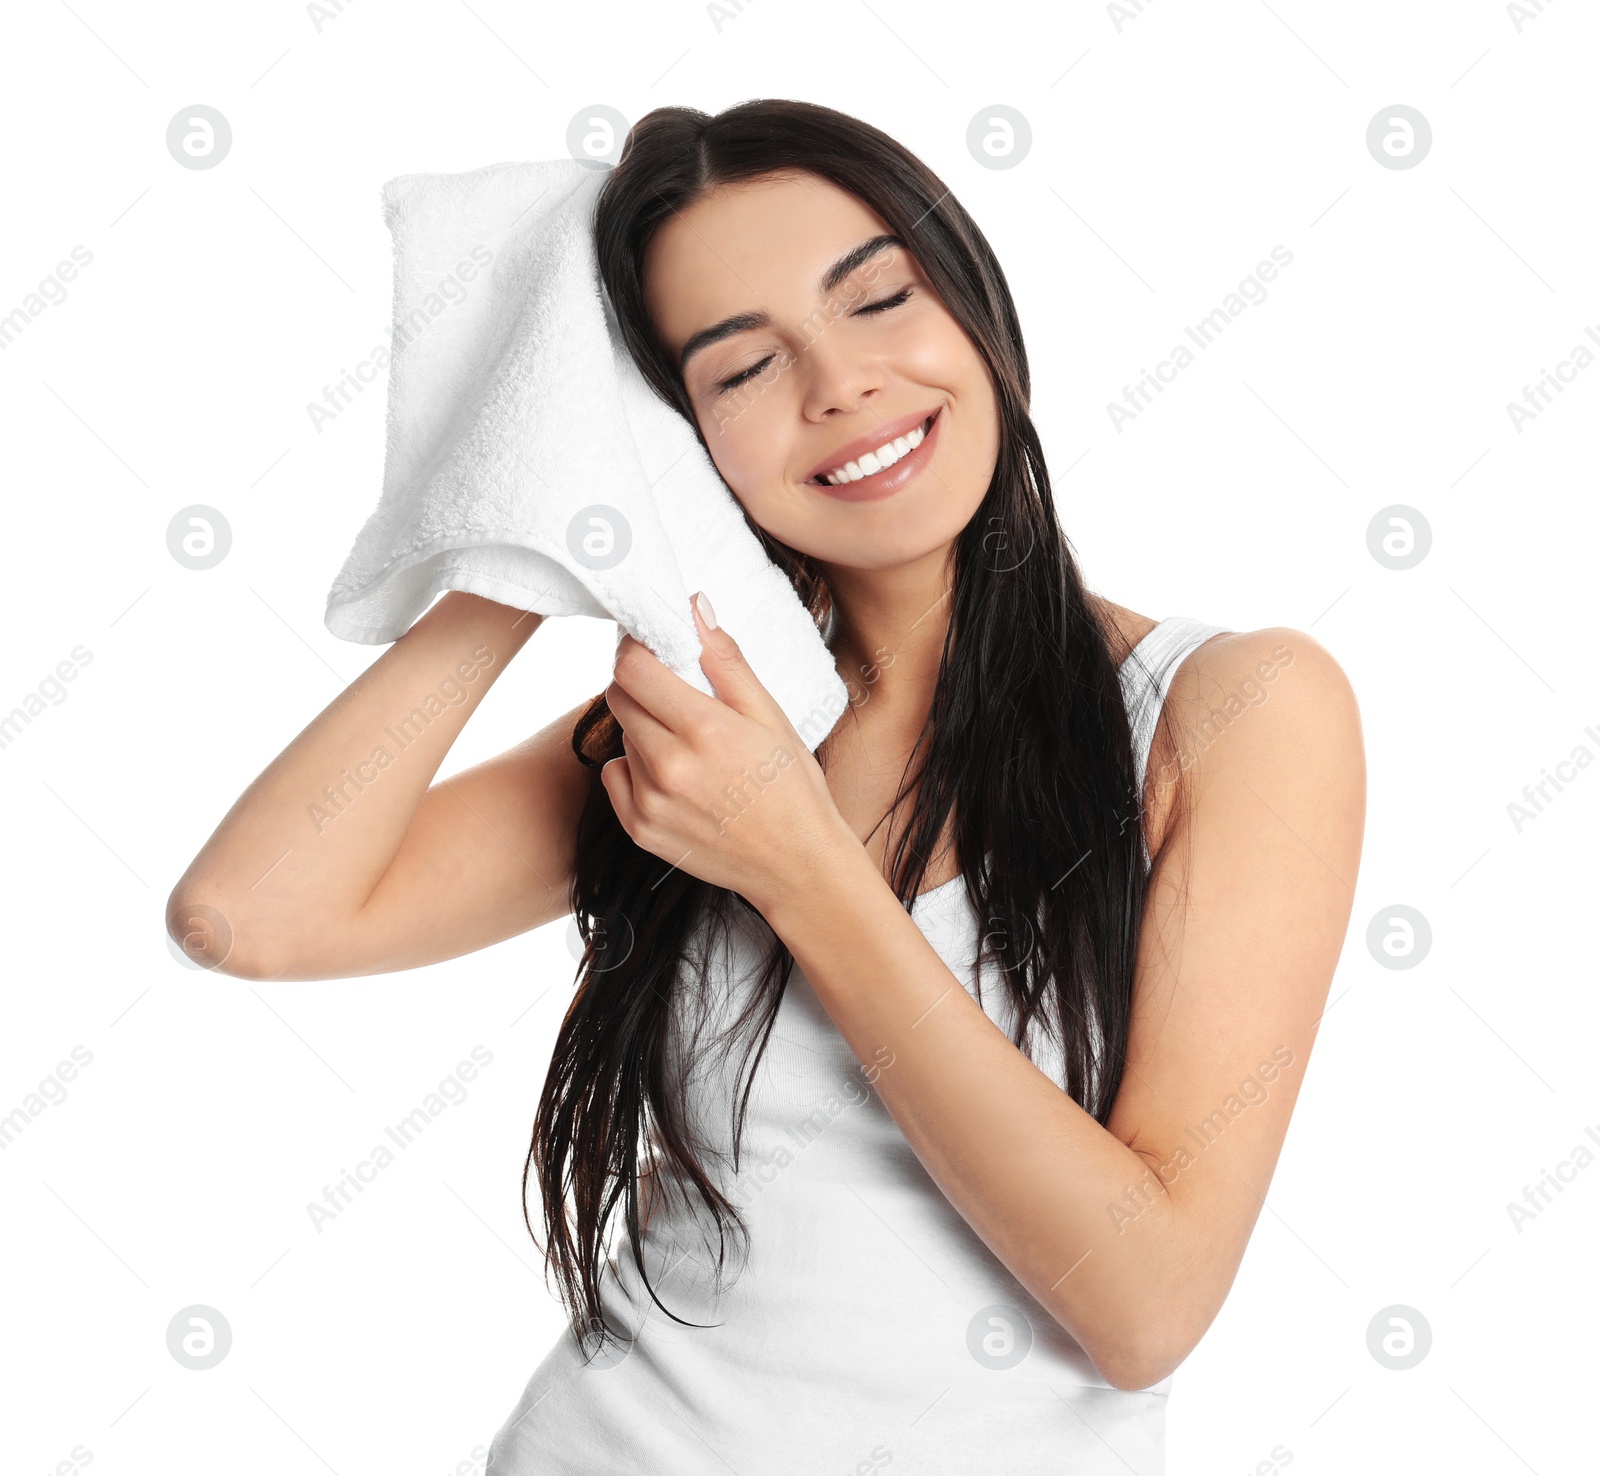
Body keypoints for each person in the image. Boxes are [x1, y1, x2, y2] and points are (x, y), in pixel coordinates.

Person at [168, 99, 1365, 1475]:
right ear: (677, 437)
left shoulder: (1235, 710)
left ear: (974, 304)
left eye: (877, 300)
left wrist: (797, 864)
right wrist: (544, 525)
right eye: (742, 371)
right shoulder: (706, 733)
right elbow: (248, 916)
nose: (840, 385)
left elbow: (1146, 1308)